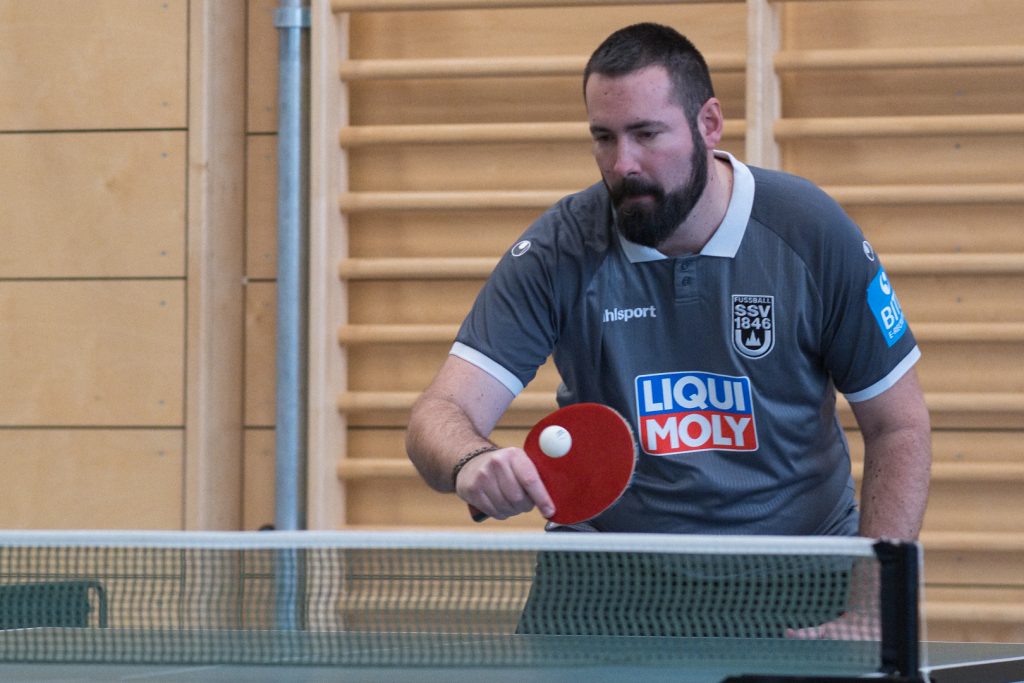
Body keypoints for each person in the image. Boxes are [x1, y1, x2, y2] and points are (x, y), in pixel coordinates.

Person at [405, 22, 931, 542]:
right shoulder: (559, 250)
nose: (622, 164)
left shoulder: (811, 231)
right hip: (610, 564)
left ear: (709, 123)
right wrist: (471, 461)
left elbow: (899, 426)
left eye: (646, 134)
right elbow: (440, 411)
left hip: (795, 560)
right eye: (604, 138)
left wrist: (874, 589)